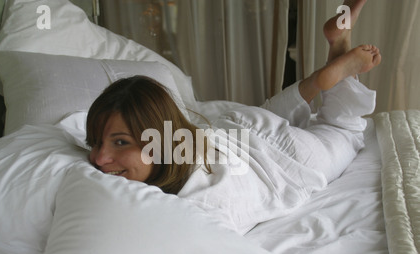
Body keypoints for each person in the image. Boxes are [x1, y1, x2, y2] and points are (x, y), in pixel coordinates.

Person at [86, 0, 380, 196]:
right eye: (96, 141)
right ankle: (331, 58)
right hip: (238, 126)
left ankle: (330, 68)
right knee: (275, 114)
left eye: (121, 141)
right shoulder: (182, 141)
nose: (100, 159)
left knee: (348, 131)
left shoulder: (200, 192)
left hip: (281, 154)